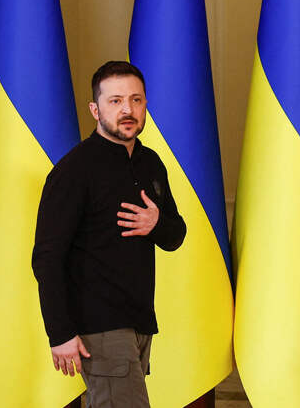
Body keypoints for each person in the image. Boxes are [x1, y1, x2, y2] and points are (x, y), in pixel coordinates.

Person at [32, 61, 186, 407]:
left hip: (141, 321)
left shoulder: (151, 163)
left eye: (135, 100)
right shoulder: (74, 170)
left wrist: (156, 224)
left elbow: (175, 236)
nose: (127, 110)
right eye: (115, 101)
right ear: (95, 110)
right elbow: (47, 258)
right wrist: (60, 332)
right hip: (99, 326)